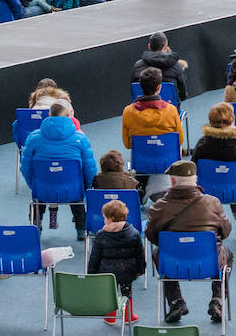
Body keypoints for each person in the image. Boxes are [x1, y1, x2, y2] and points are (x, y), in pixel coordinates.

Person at [146, 159, 233, 324]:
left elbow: (151, 236)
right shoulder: (212, 203)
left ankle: (176, 301)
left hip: (173, 263)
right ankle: (218, 300)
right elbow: (226, 231)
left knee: (159, 253)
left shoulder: (159, 206)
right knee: (224, 253)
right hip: (208, 262)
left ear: (172, 180)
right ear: (195, 180)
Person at [21, 101, 97, 237]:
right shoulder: (81, 139)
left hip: (42, 190)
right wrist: (86, 186)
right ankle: (81, 229)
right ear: (68, 116)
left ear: (49, 116)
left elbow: (26, 167)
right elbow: (89, 168)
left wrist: (33, 185)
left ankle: (36, 227)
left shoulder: (33, 138)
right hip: (73, 190)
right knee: (76, 190)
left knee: (39, 196)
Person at [191, 103, 236, 241]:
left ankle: (210, 228)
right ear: (231, 120)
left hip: (208, 189)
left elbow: (194, 167)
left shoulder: (202, 143)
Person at [88, 199, 145, 325]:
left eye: (104, 217)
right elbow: (140, 254)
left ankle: (110, 316)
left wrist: (91, 273)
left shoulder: (101, 234)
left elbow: (95, 256)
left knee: (109, 293)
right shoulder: (134, 233)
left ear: (110, 218)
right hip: (128, 270)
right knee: (127, 292)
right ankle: (128, 316)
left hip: (107, 270)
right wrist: (141, 269)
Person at [123, 67, 185, 149]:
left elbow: (127, 144)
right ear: (159, 87)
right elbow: (180, 141)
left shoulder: (128, 111)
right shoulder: (171, 110)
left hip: (142, 157)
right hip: (167, 156)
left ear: (141, 86)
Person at [130, 31, 188, 100]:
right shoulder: (176, 66)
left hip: (142, 106)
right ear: (165, 46)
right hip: (169, 106)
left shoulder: (137, 66)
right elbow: (183, 94)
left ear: (149, 46)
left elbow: (134, 91)